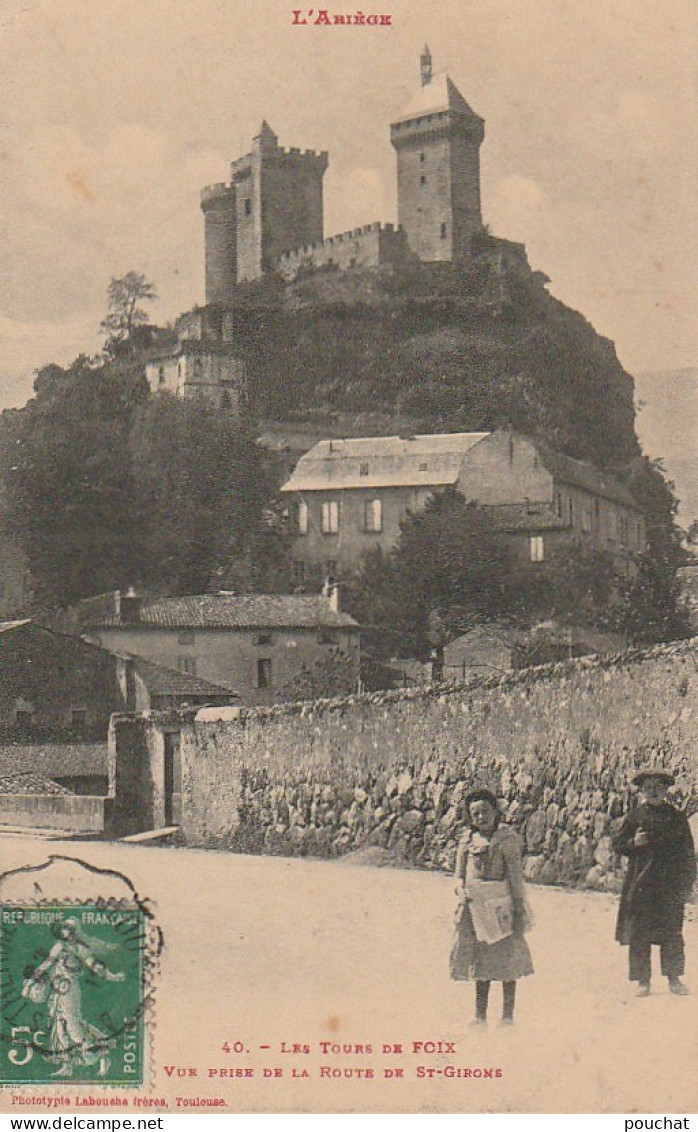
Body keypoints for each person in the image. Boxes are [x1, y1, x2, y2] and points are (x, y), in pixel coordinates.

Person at [451, 787, 533, 1025]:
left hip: (501, 907)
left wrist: (518, 907)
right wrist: (460, 891)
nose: (480, 817)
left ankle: (507, 1016)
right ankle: (480, 1015)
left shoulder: (506, 841)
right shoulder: (467, 841)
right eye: (475, 813)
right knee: (481, 959)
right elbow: (458, 876)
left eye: (485, 811)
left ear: (496, 812)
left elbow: (516, 878)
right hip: (476, 910)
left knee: (507, 958)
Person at [613, 767, 696, 997]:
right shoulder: (635, 816)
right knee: (640, 932)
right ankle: (643, 981)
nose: (654, 792)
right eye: (648, 788)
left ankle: (674, 978)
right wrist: (634, 842)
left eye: (659, 788)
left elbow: (689, 853)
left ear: (667, 790)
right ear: (642, 791)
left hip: (669, 886)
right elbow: (618, 844)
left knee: (672, 931)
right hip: (642, 883)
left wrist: (687, 884)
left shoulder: (677, 818)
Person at [23, 917, 125, 1077]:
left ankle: (99, 1054)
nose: (67, 931)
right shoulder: (59, 946)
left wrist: (112, 976)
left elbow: (96, 967)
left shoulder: (81, 949)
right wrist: (33, 978)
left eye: (70, 928)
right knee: (60, 1028)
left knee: (72, 1026)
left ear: (75, 931)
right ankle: (68, 1066)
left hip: (70, 990)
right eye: (65, 928)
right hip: (57, 991)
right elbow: (48, 963)